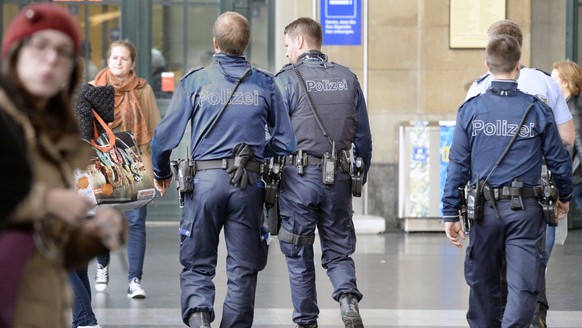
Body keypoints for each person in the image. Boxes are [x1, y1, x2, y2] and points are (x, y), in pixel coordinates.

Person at [150, 11, 296, 328]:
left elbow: (163, 138)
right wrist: (256, 153)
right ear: (244, 45)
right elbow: (286, 143)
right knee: (243, 268)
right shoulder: (265, 84)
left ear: (215, 43)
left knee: (198, 262)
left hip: (203, 184)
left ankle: (201, 318)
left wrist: (161, 172)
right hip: (249, 185)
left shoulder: (195, 82)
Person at [0, 3, 126, 327]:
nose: (52, 58)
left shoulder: (56, 130)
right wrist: (50, 201)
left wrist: (94, 236)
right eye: (39, 45)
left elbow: (45, 246)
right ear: (14, 54)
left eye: (64, 52)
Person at [443, 34, 572, 327]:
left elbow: (458, 164)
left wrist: (450, 211)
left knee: (482, 284)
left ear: (487, 66)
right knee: (524, 286)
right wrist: (563, 196)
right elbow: (558, 160)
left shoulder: (471, 110)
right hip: (525, 211)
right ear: (518, 66)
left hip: (482, 212)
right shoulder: (537, 109)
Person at [274, 17, 372, 328]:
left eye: (288, 45)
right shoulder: (348, 78)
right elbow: (364, 137)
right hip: (339, 177)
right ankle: (347, 299)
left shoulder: (286, 80)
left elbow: (272, 135)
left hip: (298, 180)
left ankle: (307, 321)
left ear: (300, 42)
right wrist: (360, 172)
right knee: (339, 249)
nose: (288, 51)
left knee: (298, 251)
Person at [90, 39, 161, 299]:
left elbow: (153, 132)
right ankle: (102, 265)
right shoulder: (93, 88)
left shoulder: (143, 90)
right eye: (114, 58)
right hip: (102, 165)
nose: (118, 62)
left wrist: (155, 173)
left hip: (135, 163)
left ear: (132, 63)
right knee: (101, 221)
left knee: (136, 221)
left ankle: (134, 280)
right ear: (107, 61)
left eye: (124, 58)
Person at [551, 60, 582, 250]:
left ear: (565, 82)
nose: (551, 82)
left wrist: (572, 175)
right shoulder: (569, 105)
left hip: (576, 177)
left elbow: (579, 141)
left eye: (554, 78)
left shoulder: (573, 109)